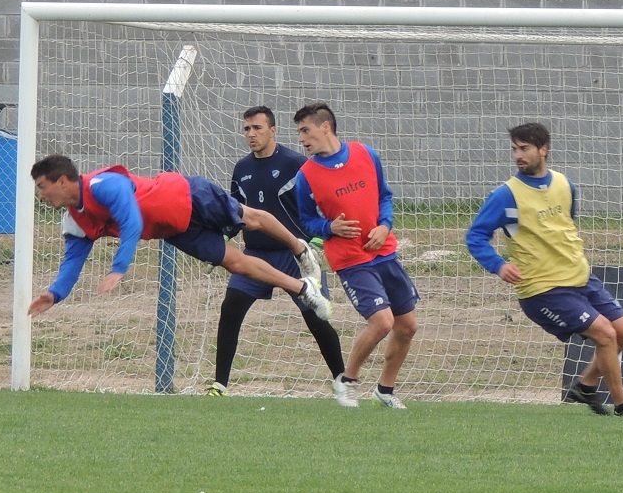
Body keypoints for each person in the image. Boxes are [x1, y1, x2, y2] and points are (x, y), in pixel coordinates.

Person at [465, 123, 623, 417]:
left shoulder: (564, 185)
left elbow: (566, 226)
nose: (518, 156)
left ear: (543, 150)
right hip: (542, 289)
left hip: (579, 277)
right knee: (605, 334)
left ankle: (585, 386)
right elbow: (475, 236)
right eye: (514, 149)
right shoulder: (506, 195)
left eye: (525, 149)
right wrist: (498, 265)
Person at [27, 155, 330, 324]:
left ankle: (298, 247)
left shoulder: (102, 185)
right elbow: (73, 259)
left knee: (250, 218)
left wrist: (119, 267)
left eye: (42, 186)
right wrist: (56, 293)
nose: (40, 195)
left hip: (186, 195)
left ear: (63, 181)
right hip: (175, 230)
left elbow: (131, 221)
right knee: (235, 264)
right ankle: (304, 288)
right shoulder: (73, 218)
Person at [209, 106, 348, 399]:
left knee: (315, 317)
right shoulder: (242, 169)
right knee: (231, 308)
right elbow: (236, 213)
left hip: (293, 255)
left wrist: (321, 236)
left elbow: (315, 203)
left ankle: (342, 382)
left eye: (257, 128)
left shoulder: (295, 163)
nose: (251, 134)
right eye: (247, 129)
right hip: (256, 255)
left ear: (273, 130)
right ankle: (219, 385)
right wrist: (219, 237)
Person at [292, 103, 419, 409]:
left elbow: (385, 196)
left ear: (325, 127)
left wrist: (385, 226)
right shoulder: (305, 176)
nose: (302, 139)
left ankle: (385, 391)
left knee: (407, 326)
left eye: (305, 130)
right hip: (350, 259)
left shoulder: (366, 154)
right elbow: (305, 221)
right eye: (299, 133)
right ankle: (346, 381)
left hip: (383, 252)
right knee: (382, 322)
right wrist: (329, 227)